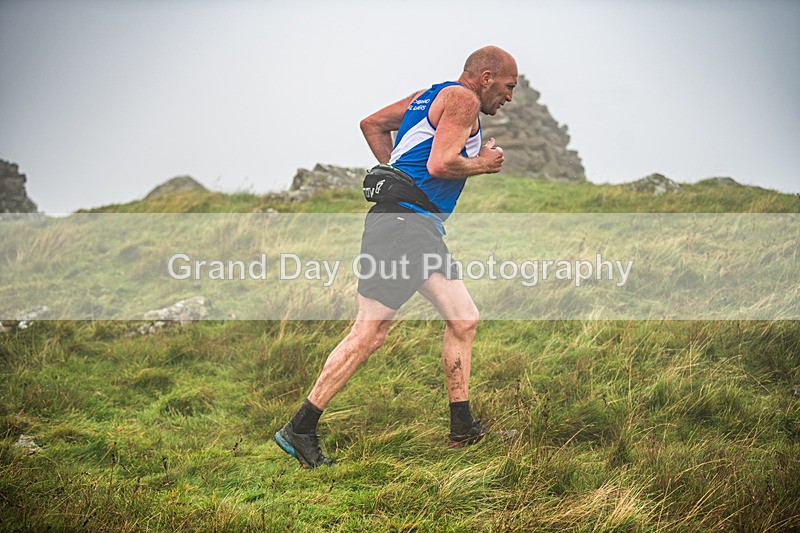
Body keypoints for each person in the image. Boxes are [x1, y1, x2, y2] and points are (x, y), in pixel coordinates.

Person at [274, 45, 518, 469]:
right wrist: (482, 163)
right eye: (508, 86)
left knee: (463, 319)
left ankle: (462, 428)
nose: (509, 96)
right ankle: (301, 427)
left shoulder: (428, 97)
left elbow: (370, 124)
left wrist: (399, 175)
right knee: (369, 333)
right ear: (485, 77)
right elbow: (442, 164)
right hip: (404, 227)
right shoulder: (462, 100)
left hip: (413, 225)